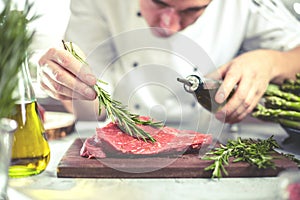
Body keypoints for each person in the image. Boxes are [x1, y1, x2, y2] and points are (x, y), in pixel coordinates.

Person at [39, 0, 300, 125]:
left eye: (191, 11)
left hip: (215, 144)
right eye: (158, 2)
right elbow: (88, 100)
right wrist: (64, 83)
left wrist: (271, 61)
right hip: (121, 141)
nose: (169, 25)